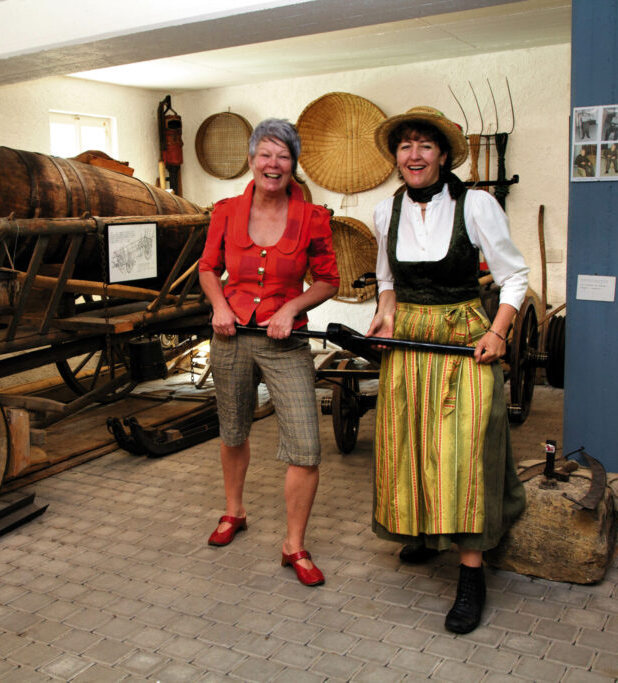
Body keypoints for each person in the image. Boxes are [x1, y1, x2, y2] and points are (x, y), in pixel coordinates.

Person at [366, 106, 528, 633]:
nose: (414, 155)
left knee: (464, 452)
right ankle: (424, 531)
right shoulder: (385, 211)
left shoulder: (476, 204)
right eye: (405, 146)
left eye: (425, 145)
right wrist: (384, 315)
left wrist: (497, 332)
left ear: (441, 155)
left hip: (463, 337)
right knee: (410, 440)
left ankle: (471, 574)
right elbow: (386, 280)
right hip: (411, 338)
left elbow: (514, 276)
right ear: (396, 157)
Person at [198, 118, 339, 586]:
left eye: (283, 156)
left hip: (286, 343)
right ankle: (234, 511)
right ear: (252, 160)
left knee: (306, 446)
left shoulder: (313, 217)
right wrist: (219, 306)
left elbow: (328, 279)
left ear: (293, 164)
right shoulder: (225, 211)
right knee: (233, 429)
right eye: (265, 154)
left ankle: (293, 544)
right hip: (231, 339)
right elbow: (207, 268)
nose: (273, 164)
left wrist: (292, 308)